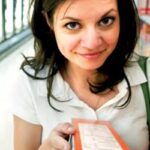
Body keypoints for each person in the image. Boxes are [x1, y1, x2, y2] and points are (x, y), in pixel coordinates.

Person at [9, 0, 149, 149]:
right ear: (49, 22)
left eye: (106, 21)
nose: (92, 43)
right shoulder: (30, 84)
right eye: (72, 25)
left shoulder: (146, 73)